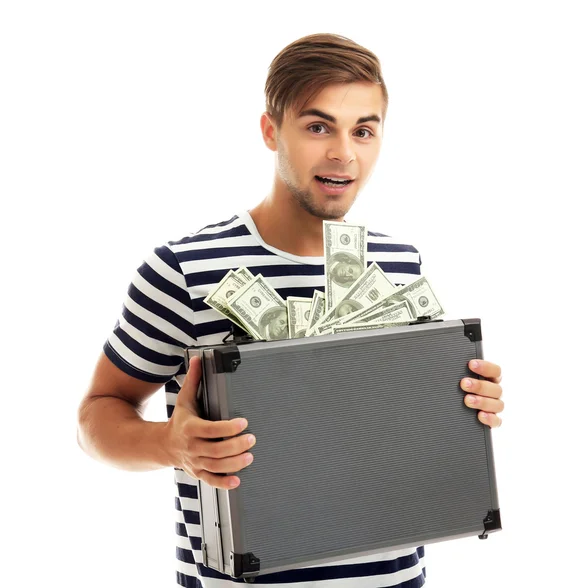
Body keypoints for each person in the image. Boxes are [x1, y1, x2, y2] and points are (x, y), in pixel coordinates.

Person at [77, 33, 504, 588]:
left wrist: (466, 403)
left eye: (364, 131)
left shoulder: (400, 265)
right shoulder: (183, 269)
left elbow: (398, 427)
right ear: (271, 130)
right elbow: (96, 417)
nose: (343, 154)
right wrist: (170, 444)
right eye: (318, 126)